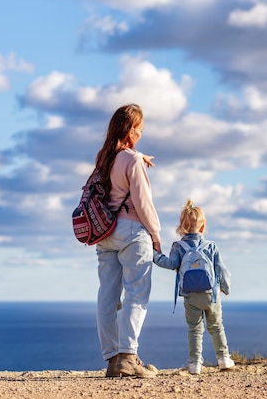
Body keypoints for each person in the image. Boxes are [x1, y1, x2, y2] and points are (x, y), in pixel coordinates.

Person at [94, 103, 162, 378]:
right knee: (136, 293)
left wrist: (138, 155)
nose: (141, 135)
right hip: (132, 231)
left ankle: (112, 359)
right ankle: (128, 356)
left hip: (104, 232)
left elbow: (120, 166)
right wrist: (155, 234)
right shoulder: (131, 161)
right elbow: (143, 203)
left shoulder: (104, 159)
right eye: (140, 131)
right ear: (131, 130)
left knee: (107, 296)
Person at [153, 199, 234, 375]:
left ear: (181, 227)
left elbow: (170, 263)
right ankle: (224, 358)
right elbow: (221, 269)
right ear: (203, 227)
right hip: (210, 294)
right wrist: (225, 288)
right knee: (216, 326)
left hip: (190, 296)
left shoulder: (178, 246)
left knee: (195, 330)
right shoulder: (211, 246)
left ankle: (195, 363)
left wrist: (154, 255)